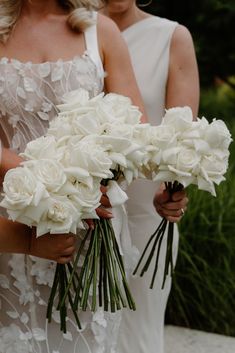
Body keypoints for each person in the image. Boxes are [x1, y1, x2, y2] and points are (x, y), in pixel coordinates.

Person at [0, 1, 150, 352]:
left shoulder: (100, 30)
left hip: (90, 223)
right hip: (15, 221)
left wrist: (99, 180)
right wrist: (27, 172)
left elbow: (136, 128)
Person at [102, 1, 200, 353]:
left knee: (137, 336)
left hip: (148, 214)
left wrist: (172, 188)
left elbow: (182, 137)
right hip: (80, 212)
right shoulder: (71, 30)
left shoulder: (171, 37)